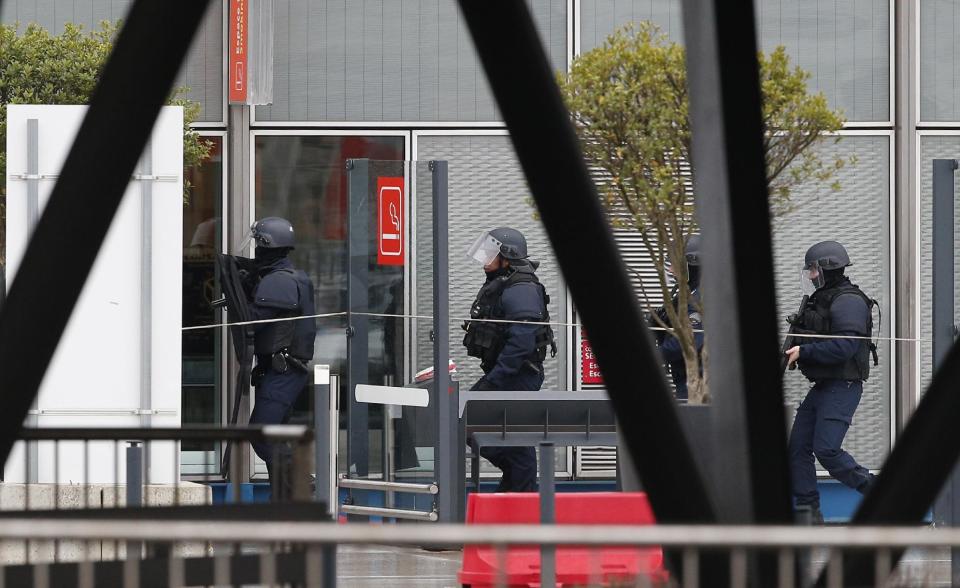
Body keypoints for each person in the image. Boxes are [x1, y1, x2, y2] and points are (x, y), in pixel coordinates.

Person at [784, 240, 878, 523]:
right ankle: (808, 512)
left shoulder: (848, 301)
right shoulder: (823, 298)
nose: (811, 276)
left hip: (843, 385)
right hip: (824, 385)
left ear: (826, 268)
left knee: (826, 448)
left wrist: (805, 350)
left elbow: (845, 347)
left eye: (813, 270)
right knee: (798, 448)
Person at [462, 227, 556, 492]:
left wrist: (495, 379)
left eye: (490, 253)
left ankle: (521, 492)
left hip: (518, 375)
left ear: (507, 256)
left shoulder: (521, 287)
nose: (484, 259)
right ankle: (516, 487)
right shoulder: (506, 282)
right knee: (472, 423)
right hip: (508, 373)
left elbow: (522, 339)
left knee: (472, 421)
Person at [243, 217, 317, 497]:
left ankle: (300, 481)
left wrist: (241, 293)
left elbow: (253, 321)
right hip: (280, 369)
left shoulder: (279, 283)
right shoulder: (288, 277)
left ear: (266, 246)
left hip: (282, 371)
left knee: (261, 435)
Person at [650, 235, 704, 402]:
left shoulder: (700, 299)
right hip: (687, 380)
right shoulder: (688, 295)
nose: (671, 270)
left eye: (676, 265)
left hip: (698, 384)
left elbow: (687, 342)